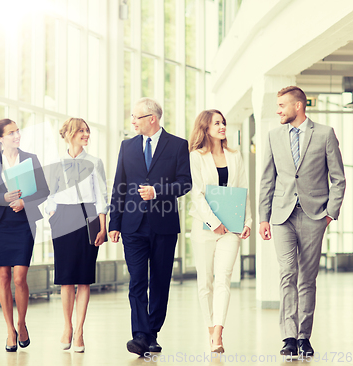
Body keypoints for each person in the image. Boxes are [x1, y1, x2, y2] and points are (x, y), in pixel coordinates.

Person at [258, 86, 346, 357]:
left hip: (314, 215)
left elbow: (338, 178)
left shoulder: (324, 134)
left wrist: (330, 212)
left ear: (299, 106)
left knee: (307, 277)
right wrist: (263, 217)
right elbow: (266, 180)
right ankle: (288, 336)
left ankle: (304, 336)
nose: (278, 110)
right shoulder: (273, 136)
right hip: (282, 217)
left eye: (282, 105)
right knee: (287, 273)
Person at [109, 98, 191, 356]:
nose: (132, 121)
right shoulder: (127, 146)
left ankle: (151, 332)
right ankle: (140, 335)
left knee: (159, 281)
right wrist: (114, 222)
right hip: (132, 225)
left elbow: (185, 184)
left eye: (136, 117)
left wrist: (157, 191)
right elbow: (119, 186)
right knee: (137, 281)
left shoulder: (177, 145)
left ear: (152, 119)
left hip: (163, 225)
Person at [0, 119, 49, 352]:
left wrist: (24, 201)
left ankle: (22, 322)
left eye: (18, 131)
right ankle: (10, 330)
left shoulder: (30, 158)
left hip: (24, 224)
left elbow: (44, 190)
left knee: (19, 278)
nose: (17, 135)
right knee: (4, 278)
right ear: (0, 138)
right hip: (1, 225)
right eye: (11, 133)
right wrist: (4, 199)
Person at [188, 109, 252, 353]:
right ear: (205, 128)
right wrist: (213, 222)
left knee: (223, 278)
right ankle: (209, 328)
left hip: (231, 228)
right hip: (205, 228)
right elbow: (196, 193)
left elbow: (243, 189)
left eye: (223, 122)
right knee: (205, 282)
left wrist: (247, 221)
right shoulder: (196, 157)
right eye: (217, 123)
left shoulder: (235, 156)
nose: (222, 126)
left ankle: (218, 334)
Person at [46, 117, 108, 353]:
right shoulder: (56, 163)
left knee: (83, 278)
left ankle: (80, 330)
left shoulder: (94, 162)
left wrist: (102, 227)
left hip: (88, 217)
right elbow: (48, 194)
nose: (86, 134)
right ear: (70, 134)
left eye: (87, 131)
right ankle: (67, 327)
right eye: (81, 131)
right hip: (62, 217)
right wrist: (52, 213)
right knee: (66, 278)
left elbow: (101, 196)